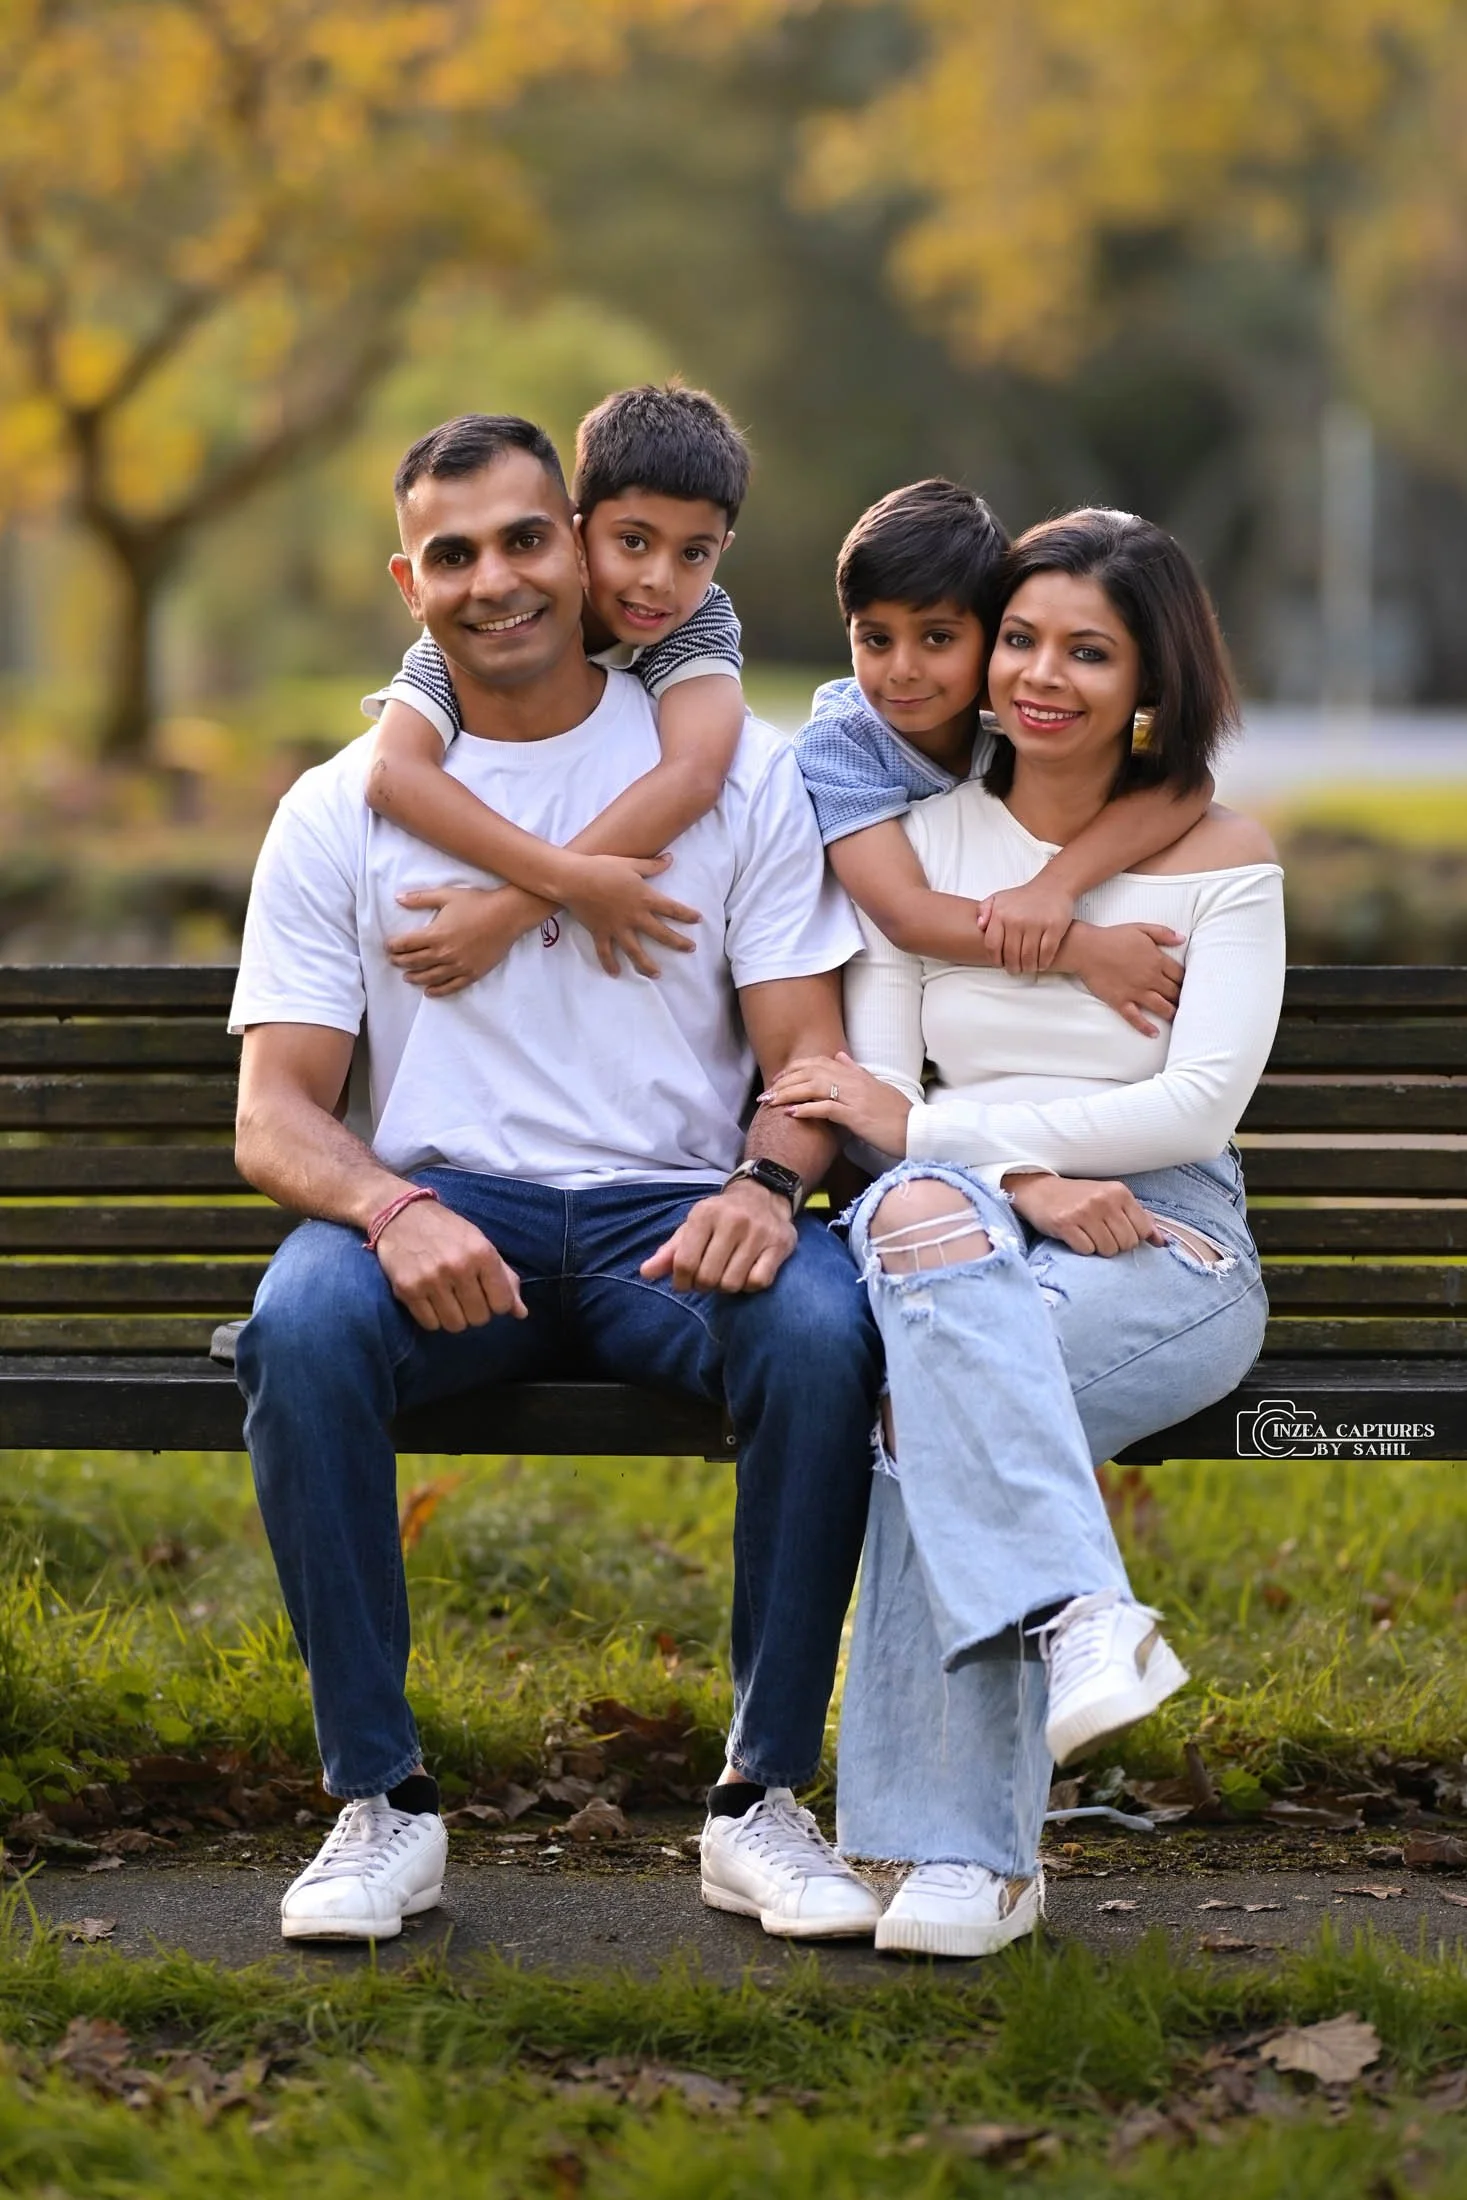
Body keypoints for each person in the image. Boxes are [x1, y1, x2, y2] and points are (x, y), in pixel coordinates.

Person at [230, 412, 887, 1945]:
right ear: (411, 581)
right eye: (452, 554)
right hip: (452, 1222)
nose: (496, 580)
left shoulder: (734, 774)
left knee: (817, 1331)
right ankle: (377, 1808)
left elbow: (802, 1058)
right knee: (302, 1328)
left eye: (525, 539)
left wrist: (763, 1187)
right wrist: (390, 1207)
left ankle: (759, 1801)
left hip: (676, 1218)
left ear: (578, 545)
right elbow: (274, 1116)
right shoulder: (344, 804)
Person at [765, 508, 1285, 1959]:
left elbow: (1189, 1108)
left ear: (1148, 684)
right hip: (949, 1227)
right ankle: (1078, 1621)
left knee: (939, 1380)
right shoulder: (914, 846)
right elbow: (869, 1109)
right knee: (946, 1316)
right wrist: (997, 1175)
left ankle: (949, 1853)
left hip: (1157, 1243)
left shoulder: (1223, 861)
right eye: (1022, 639)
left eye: (1087, 651)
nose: (1039, 675)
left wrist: (963, 1142)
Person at [359, 383, 750, 992]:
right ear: (577, 529)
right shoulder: (471, 637)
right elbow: (391, 776)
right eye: (632, 542)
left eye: (693, 553)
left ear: (721, 550)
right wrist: (574, 882)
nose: (658, 581)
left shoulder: (696, 620)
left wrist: (507, 914)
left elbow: (695, 774)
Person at [794, 479, 1217, 1035]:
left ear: (990, 634)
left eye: (938, 639)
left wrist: (1055, 886)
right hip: (853, 1000)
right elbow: (904, 913)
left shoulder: (1009, 719)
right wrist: (1084, 950)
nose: (902, 669)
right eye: (875, 641)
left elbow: (1184, 784)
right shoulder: (840, 743)